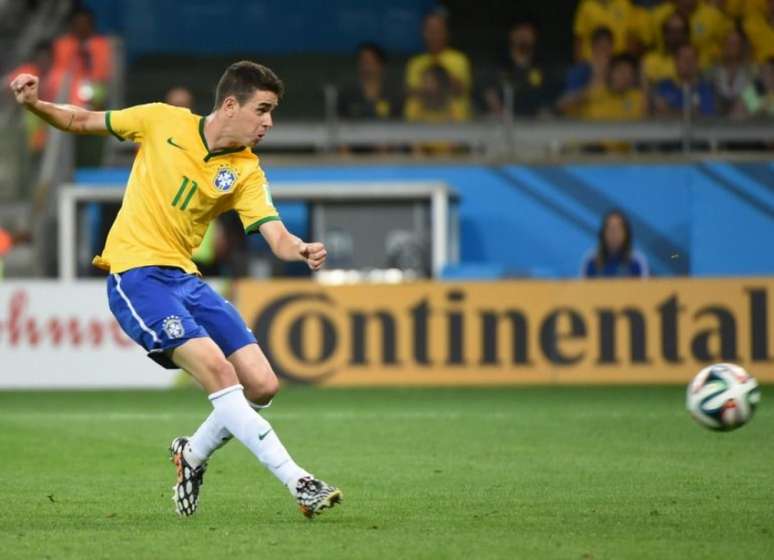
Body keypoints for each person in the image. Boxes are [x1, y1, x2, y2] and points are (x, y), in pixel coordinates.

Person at [9, 61, 341, 518]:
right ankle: (298, 480)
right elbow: (81, 119)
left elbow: (275, 233)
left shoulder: (245, 170)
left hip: (187, 280)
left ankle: (193, 453)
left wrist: (298, 248)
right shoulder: (161, 120)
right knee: (218, 371)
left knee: (262, 385)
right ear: (230, 105)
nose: (268, 122)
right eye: (262, 110)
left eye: (272, 112)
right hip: (137, 276)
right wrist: (35, 104)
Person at [405, 10, 472, 120]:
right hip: (420, 129)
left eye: (438, 30)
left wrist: (437, 80)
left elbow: (461, 91)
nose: (434, 35)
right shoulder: (415, 63)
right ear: (423, 33)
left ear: (446, 33)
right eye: (430, 31)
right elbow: (412, 92)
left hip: (455, 127)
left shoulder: (459, 60)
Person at [483, 20, 548, 117]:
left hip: (536, 120)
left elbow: (549, 93)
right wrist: (499, 110)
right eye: (520, 31)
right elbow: (488, 89)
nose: (523, 36)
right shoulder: (499, 61)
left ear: (534, 36)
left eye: (527, 32)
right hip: (504, 118)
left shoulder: (542, 63)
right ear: (511, 34)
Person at [558, 26, 614, 116]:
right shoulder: (580, 70)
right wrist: (591, 87)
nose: (604, 51)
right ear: (593, 47)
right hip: (582, 124)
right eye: (601, 47)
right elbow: (563, 104)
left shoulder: (616, 70)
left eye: (607, 47)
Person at [338, 42, 401, 120]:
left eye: (370, 62)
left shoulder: (393, 90)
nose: (366, 66)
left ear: (381, 65)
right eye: (362, 62)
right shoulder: (348, 90)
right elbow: (340, 118)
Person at [653, 43, 717, 116]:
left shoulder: (706, 89)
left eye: (691, 59)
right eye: (683, 58)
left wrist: (670, 111)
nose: (688, 62)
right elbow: (658, 115)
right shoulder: (663, 87)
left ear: (698, 63)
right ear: (675, 62)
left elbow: (704, 118)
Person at [581, 209, 649, 278]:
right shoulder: (591, 259)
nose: (614, 233)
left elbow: (644, 288)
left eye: (618, 229)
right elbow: (583, 287)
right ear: (603, 233)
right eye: (610, 229)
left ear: (626, 233)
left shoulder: (637, 260)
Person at [712, 27, 755, 115]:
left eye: (735, 44)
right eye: (728, 44)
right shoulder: (713, 72)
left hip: (746, 121)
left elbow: (756, 101)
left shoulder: (753, 72)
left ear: (742, 46)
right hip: (717, 121)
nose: (731, 48)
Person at [641, 12, 690, 85]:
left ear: (686, 34)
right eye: (671, 31)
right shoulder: (650, 60)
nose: (675, 35)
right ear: (665, 34)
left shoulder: (694, 60)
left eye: (679, 31)